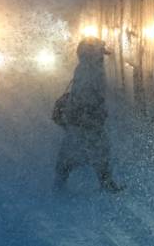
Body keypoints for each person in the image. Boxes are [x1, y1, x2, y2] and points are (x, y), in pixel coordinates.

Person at [53, 37, 123, 193]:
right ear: (91, 54)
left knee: (74, 153)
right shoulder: (90, 71)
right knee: (95, 151)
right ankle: (106, 185)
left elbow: (80, 94)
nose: (102, 58)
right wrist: (93, 112)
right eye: (100, 54)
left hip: (83, 121)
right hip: (87, 121)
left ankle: (60, 186)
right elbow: (86, 97)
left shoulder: (84, 68)